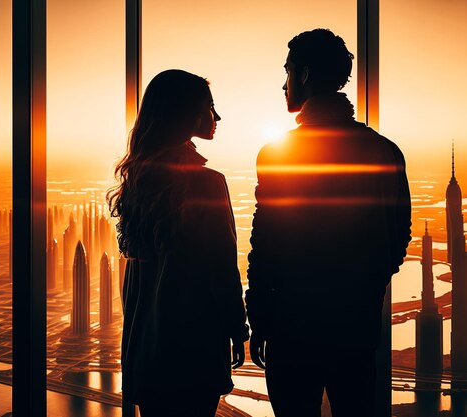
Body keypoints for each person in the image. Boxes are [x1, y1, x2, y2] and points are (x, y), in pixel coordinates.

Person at [245, 29, 411, 416]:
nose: (282, 84)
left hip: (291, 330)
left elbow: (264, 246)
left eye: (287, 72)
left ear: (303, 75)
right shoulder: (384, 151)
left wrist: (260, 318)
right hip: (355, 327)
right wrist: (363, 286)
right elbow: (397, 238)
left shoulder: (279, 154)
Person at [108, 69, 249, 417]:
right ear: (186, 113)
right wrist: (237, 328)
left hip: (146, 347)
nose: (217, 117)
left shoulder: (139, 182)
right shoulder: (207, 184)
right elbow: (221, 267)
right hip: (192, 344)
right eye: (209, 107)